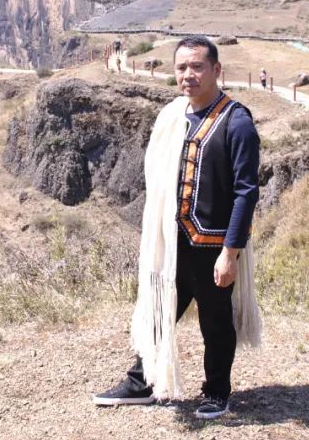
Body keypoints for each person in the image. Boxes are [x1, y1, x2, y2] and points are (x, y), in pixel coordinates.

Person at [92, 35, 262, 420]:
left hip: (212, 245)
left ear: (216, 70)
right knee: (158, 311)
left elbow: (246, 192)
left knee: (215, 322)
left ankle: (216, 392)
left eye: (197, 66)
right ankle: (143, 381)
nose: (189, 75)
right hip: (172, 242)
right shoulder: (173, 115)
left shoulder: (236, 122)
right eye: (182, 67)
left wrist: (230, 254)